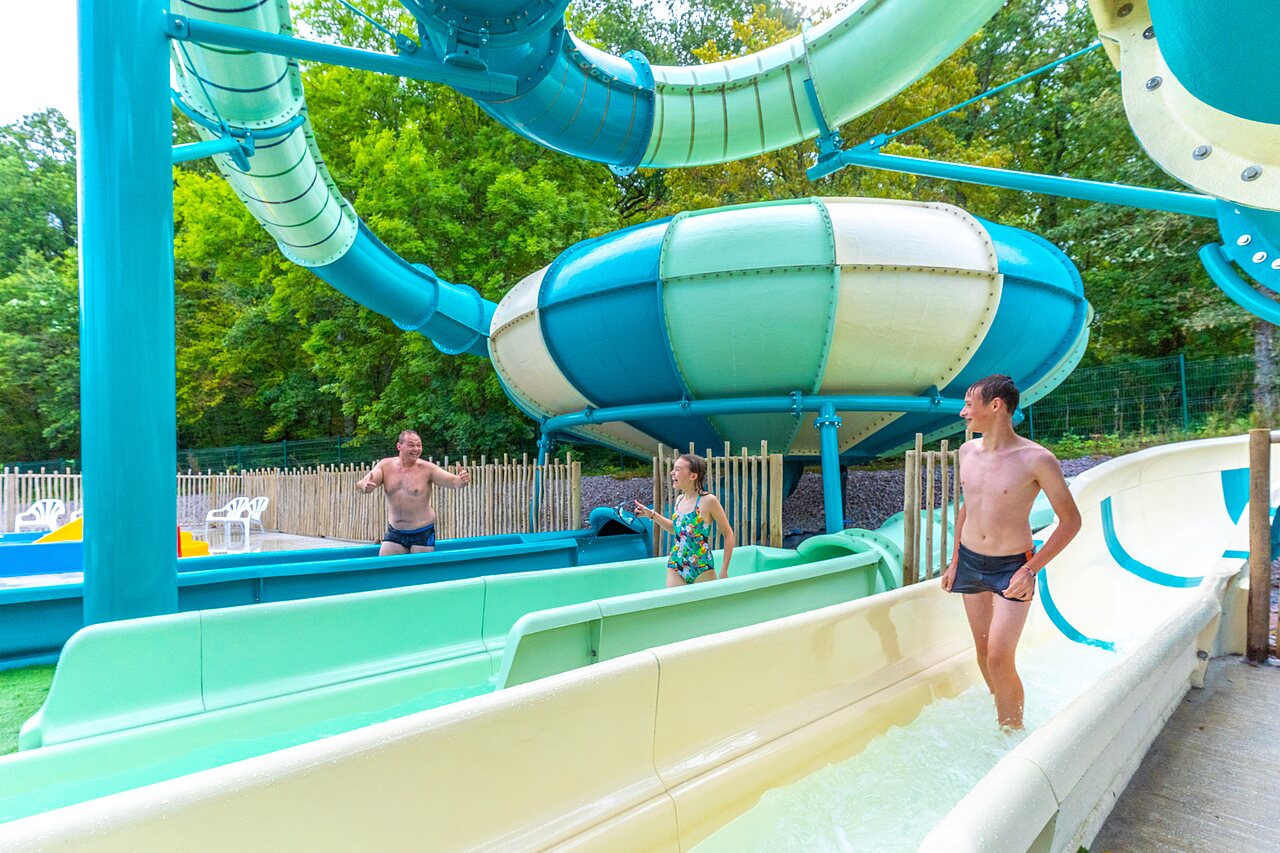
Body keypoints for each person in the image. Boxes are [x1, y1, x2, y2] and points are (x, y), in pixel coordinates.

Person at [941, 374, 1082, 730]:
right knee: (983, 651)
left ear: (995, 405)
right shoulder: (966, 452)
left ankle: (1013, 735)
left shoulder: (1036, 459)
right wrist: (956, 560)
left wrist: (1031, 570)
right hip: (970, 561)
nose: (963, 413)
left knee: (1000, 656)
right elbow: (968, 506)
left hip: (1012, 567)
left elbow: (1070, 521)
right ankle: (1000, 709)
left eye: (969, 404)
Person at [356, 429, 470, 555]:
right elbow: (363, 483)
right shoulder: (385, 466)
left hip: (422, 532)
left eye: (419, 445)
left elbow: (454, 482)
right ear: (399, 446)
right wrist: (364, 486)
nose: (416, 449)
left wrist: (462, 480)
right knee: (386, 568)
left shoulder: (427, 469)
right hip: (396, 531)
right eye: (411, 445)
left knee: (420, 572)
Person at [633, 453, 735, 587]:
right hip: (677, 563)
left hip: (702, 566)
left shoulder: (708, 501)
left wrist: (724, 570)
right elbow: (675, 530)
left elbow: (728, 534)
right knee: (675, 606)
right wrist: (651, 515)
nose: (671, 473)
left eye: (677, 469)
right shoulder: (679, 499)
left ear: (693, 476)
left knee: (704, 607)